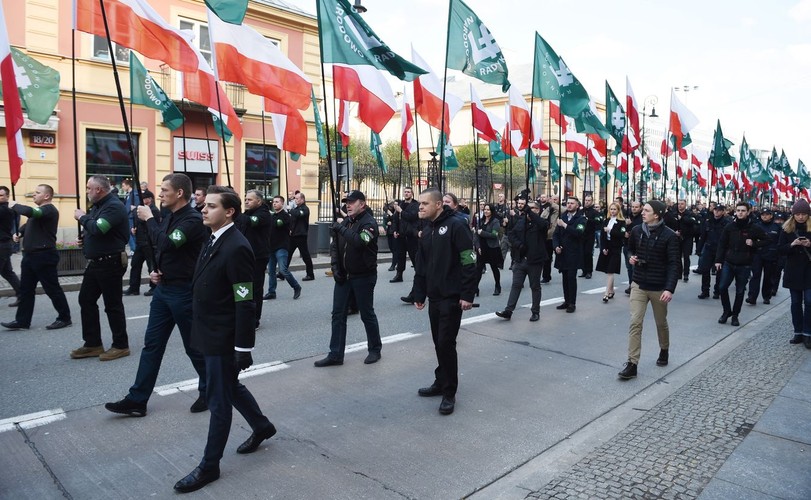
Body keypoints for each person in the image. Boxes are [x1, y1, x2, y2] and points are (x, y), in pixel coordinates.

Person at [173, 186, 276, 494]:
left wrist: (243, 348)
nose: (203, 209)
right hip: (208, 333)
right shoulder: (213, 239)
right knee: (229, 388)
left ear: (229, 212)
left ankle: (209, 465)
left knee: (219, 401)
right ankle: (261, 426)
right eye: (204, 205)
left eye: (211, 206)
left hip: (223, 338)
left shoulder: (237, 247)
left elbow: (244, 301)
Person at [105, 173, 209, 417]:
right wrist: (156, 270)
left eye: (164, 190)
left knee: (193, 347)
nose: (160, 194)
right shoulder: (168, 216)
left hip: (184, 293)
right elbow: (160, 249)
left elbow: (168, 243)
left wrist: (149, 218)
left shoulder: (192, 220)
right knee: (151, 346)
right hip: (164, 291)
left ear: (179, 193)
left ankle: (209, 389)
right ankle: (137, 400)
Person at [412, 189, 476, 415]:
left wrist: (467, 294)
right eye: (419, 203)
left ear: (439, 204)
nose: (420, 207)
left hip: (451, 296)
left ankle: (449, 392)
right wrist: (419, 293)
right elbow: (422, 264)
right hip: (434, 296)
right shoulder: (427, 229)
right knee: (438, 343)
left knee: (446, 344)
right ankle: (440, 381)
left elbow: (469, 259)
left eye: (424, 203)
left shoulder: (456, 225)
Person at [314, 190, 382, 367]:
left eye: (352, 202)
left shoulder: (370, 223)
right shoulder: (346, 222)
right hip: (344, 277)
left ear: (362, 204)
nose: (348, 205)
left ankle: (375, 349)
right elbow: (335, 247)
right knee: (338, 315)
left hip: (364, 276)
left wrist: (341, 228)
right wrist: (336, 268)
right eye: (346, 202)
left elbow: (360, 242)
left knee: (366, 314)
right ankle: (335, 354)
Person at [618, 200, 679, 380]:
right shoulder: (637, 231)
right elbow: (629, 250)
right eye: (642, 210)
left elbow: (674, 264)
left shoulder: (669, 236)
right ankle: (632, 363)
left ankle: (664, 349)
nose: (642, 213)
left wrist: (669, 289)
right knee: (635, 322)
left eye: (646, 210)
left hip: (659, 287)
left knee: (661, 322)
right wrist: (631, 258)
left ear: (657, 215)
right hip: (638, 284)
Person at [71, 176, 130, 361]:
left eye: (89, 188)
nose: (87, 191)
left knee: (112, 305)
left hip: (110, 262)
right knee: (86, 300)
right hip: (97, 262)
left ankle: (121, 345)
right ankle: (93, 343)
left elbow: (99, 228)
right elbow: (94, 231)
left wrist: (82, 217)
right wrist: (85, 239)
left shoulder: (113, 206)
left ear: (98, 189)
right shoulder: (98, 206)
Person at [1, 185, 71, 330]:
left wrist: (14, 205)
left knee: (52, 289)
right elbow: (29, 224)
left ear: (46, 196)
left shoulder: (48, 210)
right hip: (29, 256)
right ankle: (22, 321)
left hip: (44, 256)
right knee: (26, 290)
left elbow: (30, 212)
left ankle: (64, 317)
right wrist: (19, 232)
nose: (34, 195)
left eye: (37, 193)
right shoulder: (38, 213)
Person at [715, 202, 768, 326]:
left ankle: (735, 315)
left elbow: (768, 240)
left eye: (743, 210)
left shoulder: (754, 227)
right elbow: (722, 244)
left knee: (740, 291)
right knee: (722, 287)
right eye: (738, 210)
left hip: (744, 264)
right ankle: (726, 311)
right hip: (729, 262)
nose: (740, 213)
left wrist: (754, 244)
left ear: (748, 212)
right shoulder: (729, 227)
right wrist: (718, 260)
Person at [495, 200, 550, 322]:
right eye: (527, 208)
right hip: (520, 260)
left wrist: (529, 212)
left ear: (537, 210)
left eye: (532, 208)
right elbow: (511, 234)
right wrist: (519, 245)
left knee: (535, 286)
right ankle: (508, 310)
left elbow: (543, 225)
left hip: (535, 261)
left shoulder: (541, 223)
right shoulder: (521, 222)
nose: (527, 210)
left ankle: (535, 311)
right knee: (516, 285)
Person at [236, 191, 276, 329]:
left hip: (258, 256)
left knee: (255, 289)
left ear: (259, 201)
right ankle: (242, 315)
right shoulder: (247, 213)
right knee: (242, 286)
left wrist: (234, 210)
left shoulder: (264, 214)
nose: (246, 201)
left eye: (249, 200)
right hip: (243, 256)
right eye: (245, 199)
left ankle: (254, 319)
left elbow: (249, 222)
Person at [778, 199, 811, 347]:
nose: (801, 217)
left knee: (809, 302)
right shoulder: (787, 229)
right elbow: (780, 249)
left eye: (804, 214)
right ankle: (798, 332)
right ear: (793, 215)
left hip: (809, 270)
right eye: (798, 214)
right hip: (793, 270)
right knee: (796, 303)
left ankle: (807, 333)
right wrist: (792, 244)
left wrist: (809, 245)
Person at [264, 195, 301, 301]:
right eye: (273, 202)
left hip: (281, 247)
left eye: (277, 202)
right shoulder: (272, 216)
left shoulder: (285, 216)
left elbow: (278, 224)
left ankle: (296, 286)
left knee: (283, 270)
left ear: (282, 203)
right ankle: (271, 292)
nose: (274, 203)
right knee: (271, 271)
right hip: (271, 247)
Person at [553, 197, 586, 313]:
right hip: (562, 253)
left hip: (574, 253)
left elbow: (578, 233)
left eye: (572, 203)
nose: (569, 205)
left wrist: (565, 225)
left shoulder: (581, 219)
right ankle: (566, 300)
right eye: (568, 203)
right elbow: (556, 235)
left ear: (577, 206)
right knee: (564, 278)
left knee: (571, 278)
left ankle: (572, 303)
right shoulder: (562, 217)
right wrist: (556, 246)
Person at [123, 190, 158, 297]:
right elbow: (138, 221)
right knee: (135, 264)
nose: (141, 201)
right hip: (140, 242)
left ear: (149, 199)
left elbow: (151, 224)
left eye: (144, 198)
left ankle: (154, 287)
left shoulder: (153, 210)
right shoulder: (141, 210)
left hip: (149, 243)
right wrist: (135, 229)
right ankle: (134, 288)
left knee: (151, 266)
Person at [746, 208, 780, 305]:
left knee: (768, 277)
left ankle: (766, 296)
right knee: (755, 276)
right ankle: (752, 297)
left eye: (767, 214)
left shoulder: (777, 227)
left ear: (771, 215)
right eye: (763, 214)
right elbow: (750, 240)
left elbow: (779, 242)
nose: (764, 216)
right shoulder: (756, 226)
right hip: (758, 254)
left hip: (771, 255)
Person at [696, 204, 729, 300]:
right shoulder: (708, 222)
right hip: (708, 248)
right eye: (715, 210)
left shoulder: (726, 223)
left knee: (719, 272)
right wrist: (699, 249)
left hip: (720, 250)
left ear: (723, 212)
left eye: (719, 210)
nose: (716, 212)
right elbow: (703, 237)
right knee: (705, 270)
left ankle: (717, 291)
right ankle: (705, 291)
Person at [596, 202, 626, 302]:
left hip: (615, 248)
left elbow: (622, 234)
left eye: (615, 209)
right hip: (607, 247)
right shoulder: (606, 220)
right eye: (611, 209)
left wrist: (610, 230)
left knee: (610, 271)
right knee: (608, 270)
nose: (613, 211)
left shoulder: (622, 222)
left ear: (618, 211)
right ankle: (611, 290)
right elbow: (602, 236)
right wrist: (603, 247)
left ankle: (606, 293)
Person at [391, 186, 420, 283]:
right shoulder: (401, 204)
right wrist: (394, 230)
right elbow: (395, 219)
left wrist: (401, 211)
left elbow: (411, 217)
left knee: (414, 256)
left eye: (408, 192)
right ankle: (399, 275)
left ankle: (419, 275)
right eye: (405, 192)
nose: (406, 193)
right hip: (401, 235)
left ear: (412, 194)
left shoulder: (416, 205)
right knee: (400, 256)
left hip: (411, 235)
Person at [474, 203, 504, 296]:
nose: (486, 211)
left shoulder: (495, 221)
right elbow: (476, 235)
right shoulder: (481, 221)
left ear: (491, 211)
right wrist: (478, 246)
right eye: (485, 209)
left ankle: (497, 286)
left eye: (488, 210)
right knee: (478, 269)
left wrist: (482, 232)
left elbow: (494, 235)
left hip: (492, 248)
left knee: (494, 268)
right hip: (482, 249)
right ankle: (475, 288)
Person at [664, 199, 696, 282]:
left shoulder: (689, 213)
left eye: (682, 204)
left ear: (685, 205)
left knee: (686, 256)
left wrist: (682, 218)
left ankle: (686, 273)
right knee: (677, 256)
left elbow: (692, 222)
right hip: (676, 237)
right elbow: (669, 223)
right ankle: (679, 272)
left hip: (687, 238)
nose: (680, 205)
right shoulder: (674, 213)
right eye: (679, 204)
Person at [0, 186, 21, 306]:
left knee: (7, 272)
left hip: (2, 245)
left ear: (7, 196)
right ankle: (21, 295)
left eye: (1, 195)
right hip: (4, 245)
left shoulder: (5, 209)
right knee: (7, 272)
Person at [286, 191, 314, 281]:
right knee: (288, 254)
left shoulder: (305, 209)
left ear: (302, 199)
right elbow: (293, 221)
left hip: (301, 235)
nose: (295, 200)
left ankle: (310, 274)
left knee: (305, 255)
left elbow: (298, 214)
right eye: (295, 198)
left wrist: (290, 210)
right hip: (294, 235)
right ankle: (283, 272)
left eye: (297, 198)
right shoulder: (297, 208)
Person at [623, 201, 643, 294]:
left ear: (640, 207)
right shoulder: (628, 216)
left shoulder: (642, 218)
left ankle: (636, 286)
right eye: (632, 206)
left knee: (635, 267)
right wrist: (625, 232)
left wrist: (630, 225)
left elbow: (639, 229)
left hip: (637, 246)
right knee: (629, 267)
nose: (634, 208)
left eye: (636, 207)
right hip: (627, 245)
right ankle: (631, 284)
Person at [580, 194, 602, 279]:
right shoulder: (581, 211)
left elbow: (598, 221)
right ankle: (583, 270)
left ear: (592, 201)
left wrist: (588, 220)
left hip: (590, 235)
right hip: (581, 235)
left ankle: (589, 271)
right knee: (581, 253)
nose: (587, 202)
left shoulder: (595, 212)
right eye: (586, 200)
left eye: (589, 200)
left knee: (588, 253)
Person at [539, 194, 559, 284]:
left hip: (557, 236)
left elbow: (564, 210)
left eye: (555, 199)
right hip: (547, 237)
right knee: (546, 258)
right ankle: (546, 276)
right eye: (552, 199)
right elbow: (541, 218)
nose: (553, 200)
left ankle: (562, 268)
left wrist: (553, 205)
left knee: (561, 255)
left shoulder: (559, 209)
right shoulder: (546, 209)